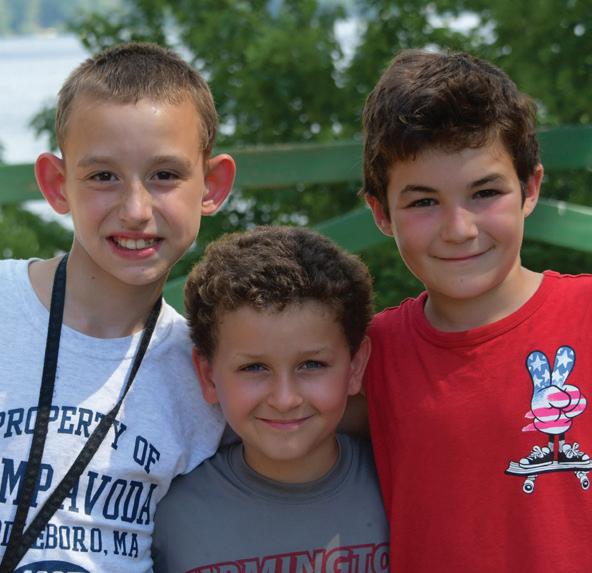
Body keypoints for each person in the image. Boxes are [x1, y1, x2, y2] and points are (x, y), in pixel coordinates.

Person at [0, 42, 235, 572]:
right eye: (103, 176)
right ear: (57, 185)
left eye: (165, 175)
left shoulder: (208, 374)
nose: (135, 210)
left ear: (212, 185)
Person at [361, 49, 592, 572]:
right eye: (423, 201)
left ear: (530, 188)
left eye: (484, 192)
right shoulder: (367, 357)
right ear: (381, 212)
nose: (459, 229)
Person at [152, 226, 389, 573]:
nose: (285, 399)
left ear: (355, 366)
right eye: (254, 368)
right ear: (208, 376)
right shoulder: (164, 516)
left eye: (312, 364)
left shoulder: (400, 484)